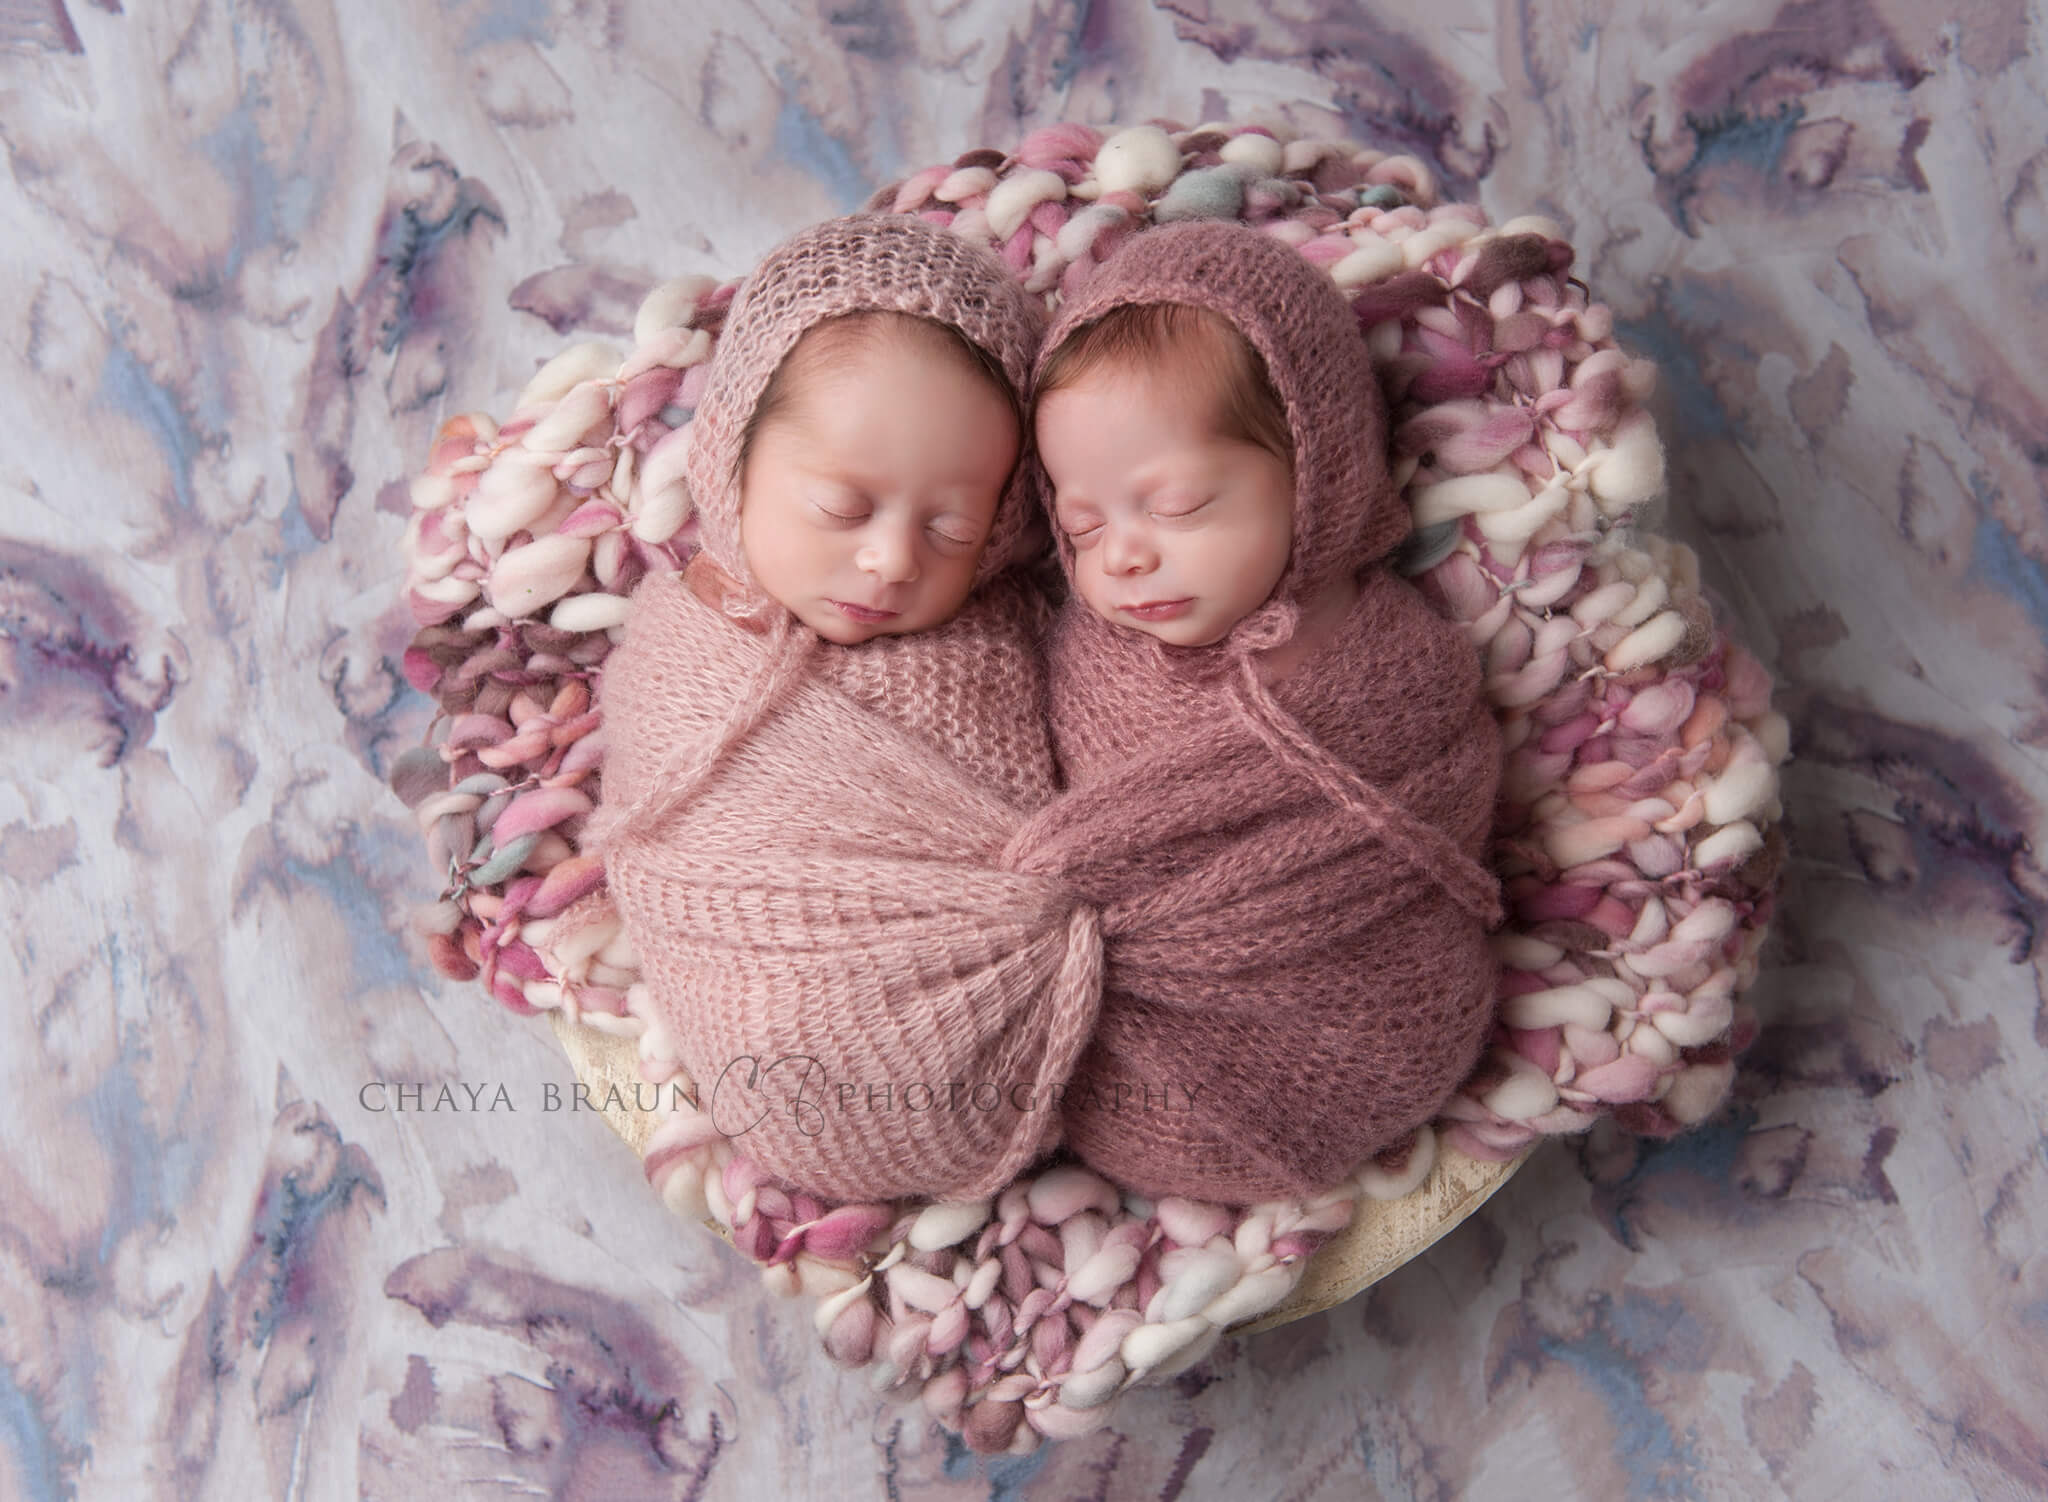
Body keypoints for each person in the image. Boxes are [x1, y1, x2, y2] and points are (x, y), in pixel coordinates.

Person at [591, 215, 1100, 1205]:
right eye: (840, 508)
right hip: (764, 1019)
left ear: (1003, 525)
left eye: (952, 525)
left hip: (1016, 1016)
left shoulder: (1010, 640)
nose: (891, 560)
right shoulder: (684, 643)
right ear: (733, 458)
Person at [1024, 219, 1506, 1204]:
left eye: (1178, 505)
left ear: (1316, 468)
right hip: (1125, 1037)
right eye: (1081, 524)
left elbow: (1453, 781)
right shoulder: (1081, 661)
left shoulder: (1392, 659)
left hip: (1374, 1010)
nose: (1121, 555)